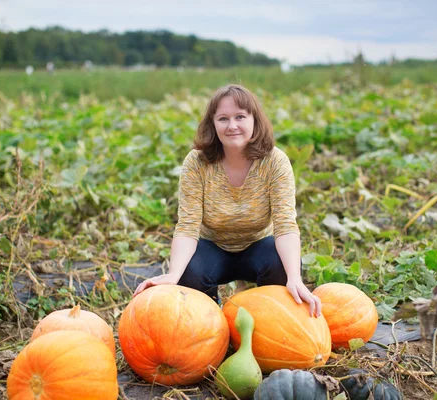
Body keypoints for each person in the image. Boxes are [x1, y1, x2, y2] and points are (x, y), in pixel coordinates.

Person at [133, 84, 321, 317]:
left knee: (280, 263)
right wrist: (173, 275)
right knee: (188, 271)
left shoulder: (275, 161)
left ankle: (267, 320)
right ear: (213, 124)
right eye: (223, 118)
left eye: (240, 117)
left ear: (255, 121)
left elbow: (285, 225)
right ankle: (209, 323)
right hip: (213, 248)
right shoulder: (197, 163)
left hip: (259, 246)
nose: (232, 126)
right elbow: (187, 227)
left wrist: (295, 278)